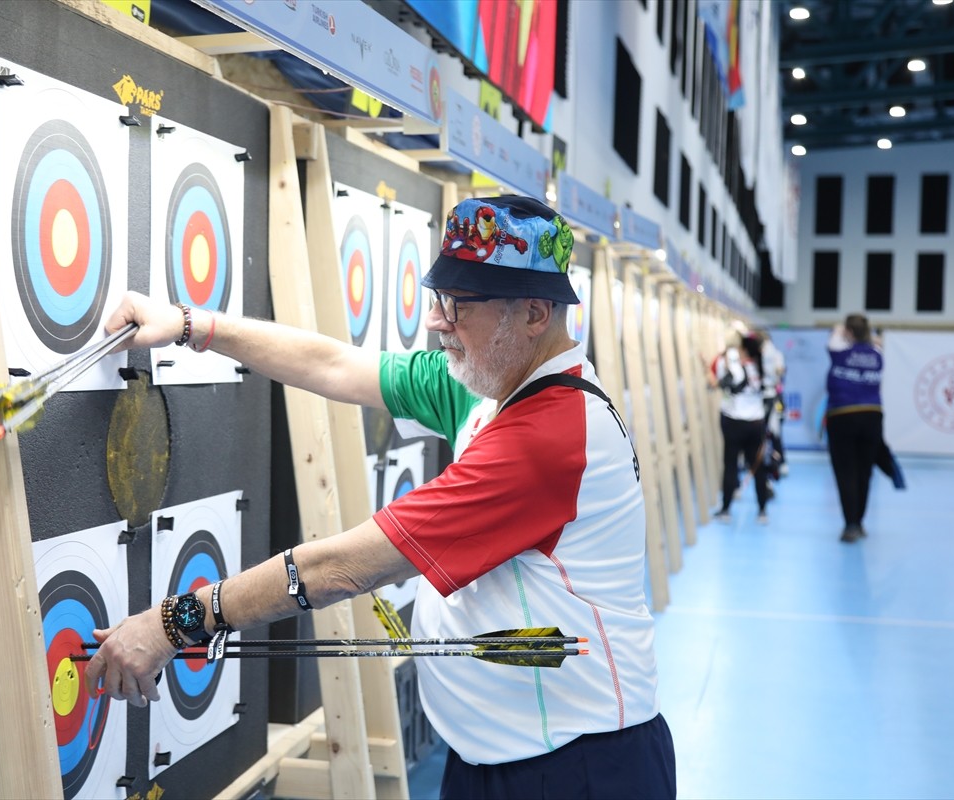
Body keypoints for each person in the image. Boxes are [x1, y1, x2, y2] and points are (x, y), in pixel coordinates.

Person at [84, 196, 677, 799]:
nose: (439, 322)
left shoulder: (548, 437)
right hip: (502, 754)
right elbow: (336, 364)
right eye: (440, 298)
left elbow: (338, 567)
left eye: (461, 305)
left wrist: (172, 624)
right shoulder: (493, 387)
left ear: (532, 313)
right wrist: (190, 325)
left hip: (580, 769)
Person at [824, 313, 886, 542]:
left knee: (845, 471)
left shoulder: (838, 349)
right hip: (872, 415)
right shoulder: (877, 353)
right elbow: (874, 342)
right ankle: (858, 522)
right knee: (864, 472)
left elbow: (836, 333)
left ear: (849, 332)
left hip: (843, 415)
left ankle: (850, 524)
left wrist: (843, 328)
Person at [709, 333, 769, 524]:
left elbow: (717, 385)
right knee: (757, 467)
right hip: (756, 423)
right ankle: (762, 511)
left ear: (744, 350)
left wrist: (708, 368)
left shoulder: (737, 369)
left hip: (735, 423)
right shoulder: (762, 368)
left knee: (731, 465)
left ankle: (725, 510)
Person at [759, 331, 787, 478]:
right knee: (763, 434)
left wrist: (775, 371)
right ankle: (765, 463)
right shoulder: (757, 357)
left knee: (776, 433)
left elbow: (780, 372)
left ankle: (781, 462)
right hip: (763, 398)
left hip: (775, 399)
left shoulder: (776, 355)